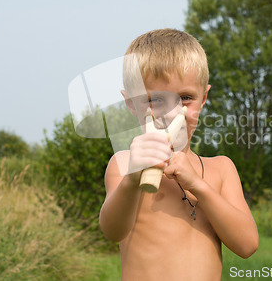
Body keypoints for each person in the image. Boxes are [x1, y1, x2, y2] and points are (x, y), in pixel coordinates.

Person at [99, 28, 258, 281]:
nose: (171, 113)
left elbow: (247, 245)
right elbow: (113, 230)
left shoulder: (221, 169)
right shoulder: (123, 164)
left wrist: (198, 185)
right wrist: (131, 181)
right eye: (155, 100)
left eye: (185, 98)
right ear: (131, 103)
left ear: (203, 98)